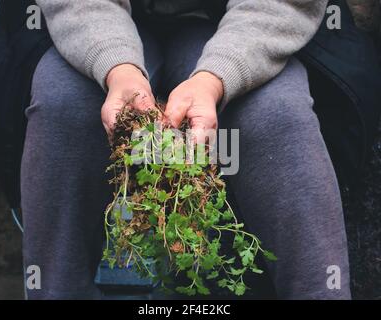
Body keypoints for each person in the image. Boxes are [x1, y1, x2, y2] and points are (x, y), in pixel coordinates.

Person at [21, 0, 351, 299]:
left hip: (242, 29)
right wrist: (116, 67)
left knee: (278, 112)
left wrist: (214, 79)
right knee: (60, 103)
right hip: (95, 24)